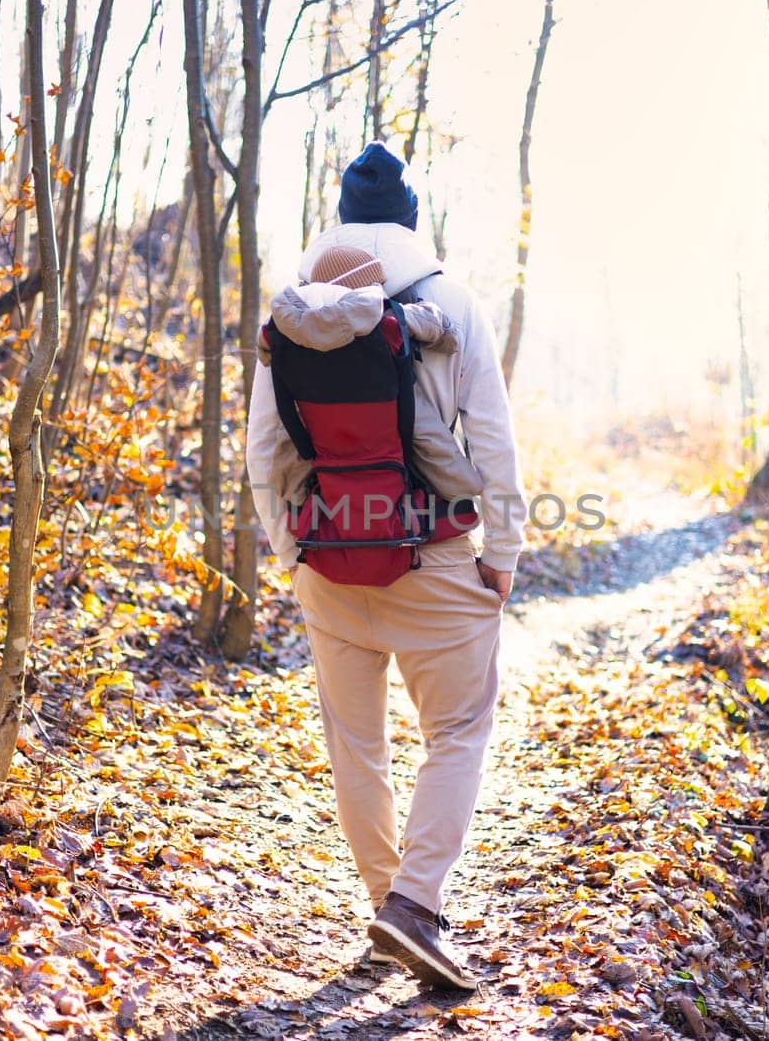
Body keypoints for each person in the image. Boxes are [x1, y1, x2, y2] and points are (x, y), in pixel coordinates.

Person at [245, 142, 526, 990]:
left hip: (329, 560)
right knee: (460, 729)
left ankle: (387, 907)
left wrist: (291, 549)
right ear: (411, 221)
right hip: (435, 557)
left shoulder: (292, 312)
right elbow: (497, 447)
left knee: (355, 743)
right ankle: (412, 907)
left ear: (340, 215)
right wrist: (502, 556)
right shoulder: (453, 301)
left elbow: (263, 449)